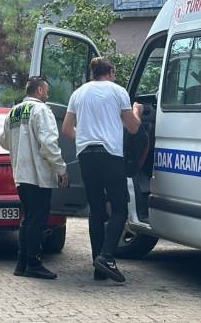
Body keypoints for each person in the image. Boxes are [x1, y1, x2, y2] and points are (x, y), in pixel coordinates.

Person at [61, 57, 143, 283]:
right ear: (111, 72)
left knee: (96, 209)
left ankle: (98, 267)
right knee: (119, 208)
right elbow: (133, 127)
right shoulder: (118, 92)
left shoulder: (78, 93)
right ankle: (107, 256)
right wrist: (137, 110)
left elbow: (67, 128)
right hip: (110, 154)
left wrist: (85, 140)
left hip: (86, 155)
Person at [0, 77, 69, 280]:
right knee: (38, 220)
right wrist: (61, 169)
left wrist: (20, 144)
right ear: (39, 90)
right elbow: (48, 144)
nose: (48, 95)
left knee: (28, 219)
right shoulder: (42, 111)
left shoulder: (14, 111)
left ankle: (22, 263)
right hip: (38, 175)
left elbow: (3, 141)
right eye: (46, 91)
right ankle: (33, 263)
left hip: (20, 173)